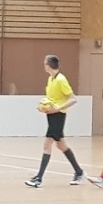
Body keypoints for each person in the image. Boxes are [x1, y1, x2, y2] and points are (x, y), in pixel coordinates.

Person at [26, 55, 86, 187]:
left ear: (49, 65)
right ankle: (79, 172)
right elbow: (51, 99)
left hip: (58, 115)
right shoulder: (51, 79)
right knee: (61, 145)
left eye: (45, 63)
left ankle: (39, 178)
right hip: (52, 115)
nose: (44, 65)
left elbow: (73, 99)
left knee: (47, 144)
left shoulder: (61, 79)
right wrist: (44, 107)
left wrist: (57, 108)